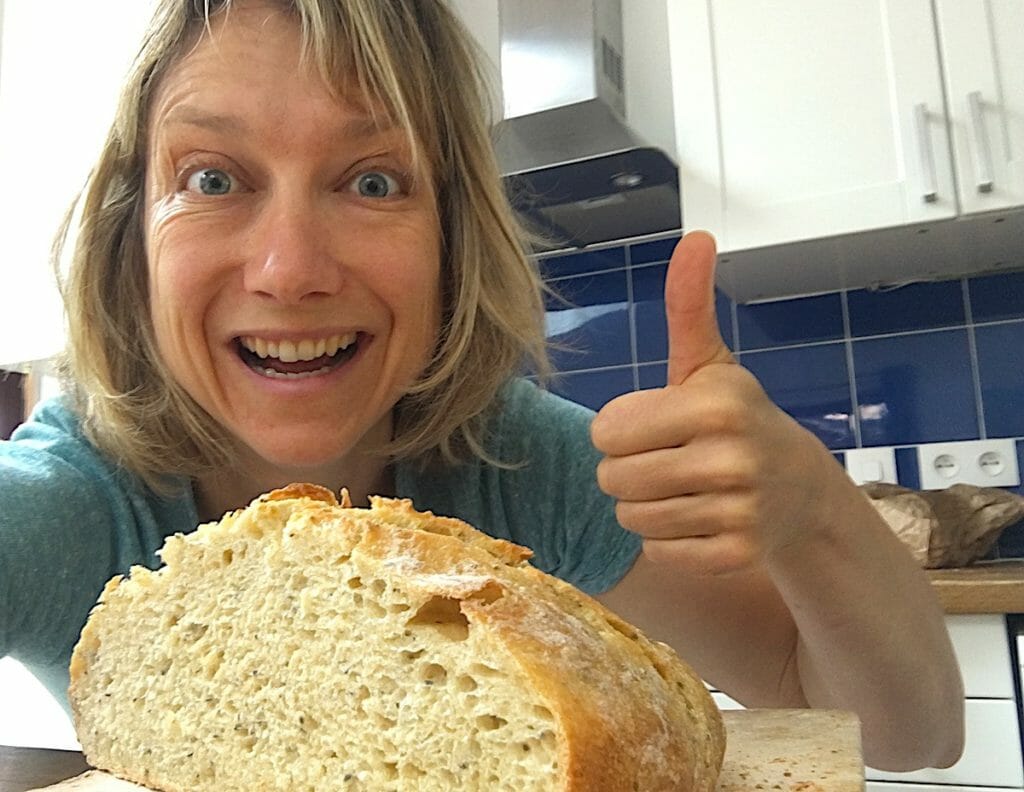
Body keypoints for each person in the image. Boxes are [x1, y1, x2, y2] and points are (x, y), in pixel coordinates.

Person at [0, 0, 962, 774]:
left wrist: (816, 514)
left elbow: (904, 737)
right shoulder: (67, 505)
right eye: (213, 179)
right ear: (131, 241)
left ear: (453, 245)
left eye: (373, 182)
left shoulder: (520, 464)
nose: (290, 270)